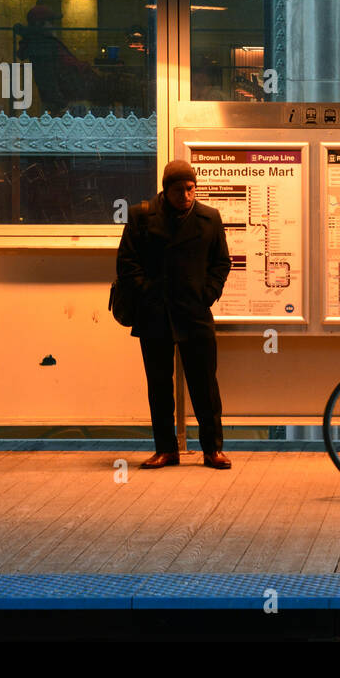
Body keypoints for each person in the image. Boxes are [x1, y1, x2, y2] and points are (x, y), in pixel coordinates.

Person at [117, 160, 233, 469]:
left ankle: (212, 449)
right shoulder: (141, 216)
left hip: (195, 312)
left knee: (205, 385)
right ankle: (166, 449)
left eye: (191, 188)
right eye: (179, 189)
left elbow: (222, 262)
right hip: (154, 313)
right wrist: (147, 293)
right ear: (166, 190)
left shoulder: (210, 218)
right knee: (159, 386)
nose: (186, 195)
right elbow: (127, 263)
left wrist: (206, 294)